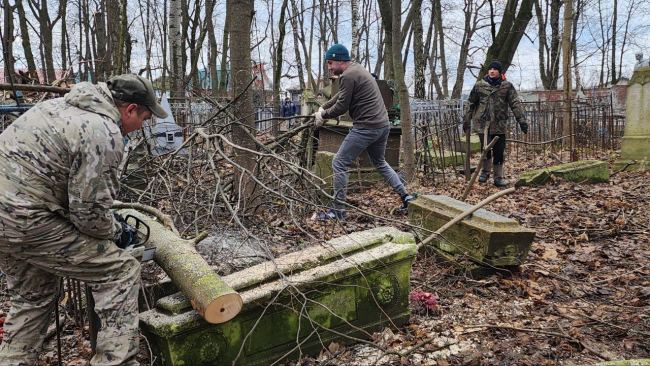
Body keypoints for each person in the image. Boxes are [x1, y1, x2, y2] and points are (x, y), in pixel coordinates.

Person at [0, 74, 168, 365]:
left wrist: (104, 218)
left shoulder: (54, 107)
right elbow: (88, 215)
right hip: (25, 219)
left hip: (10, 218)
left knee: (33, 298)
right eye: (144, 118)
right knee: (120, 269)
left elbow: (55, 183)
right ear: (129, 110)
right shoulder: (103, 131)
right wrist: (117, 231)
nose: (141, 127)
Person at [312, 44, 414, 220]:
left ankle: (337, 211)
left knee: (339, 163)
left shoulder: (349, 75)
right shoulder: (356, 70)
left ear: (340, 61)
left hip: (367, 127)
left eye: (330, 63)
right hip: (382, 126)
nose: (329, 67)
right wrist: (324, 106)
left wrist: (324, 116)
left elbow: (342, 106)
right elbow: (341, 95)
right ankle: (406, 196)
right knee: (380, 162)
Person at [463, 60, 528, 187]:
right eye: (490, 69)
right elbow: (470, 103)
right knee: (485, 148)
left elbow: (515, 104)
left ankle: (498, 177)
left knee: (499, 151)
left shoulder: (506, 86)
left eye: (495, 69)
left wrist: (522, 121)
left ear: (499, 72)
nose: (492, 71)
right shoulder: (479, 86)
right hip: (483, 124)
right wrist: (466, 121)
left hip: (499, 124)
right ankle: (485, 172)